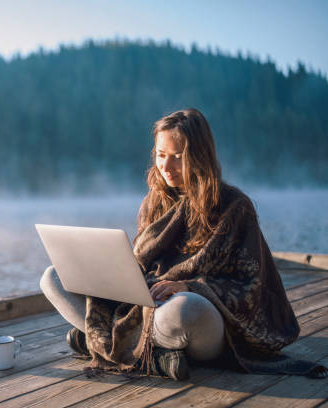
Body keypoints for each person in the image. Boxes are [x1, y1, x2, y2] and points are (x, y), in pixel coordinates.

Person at [40, 108, 326, 380]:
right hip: (147, 306)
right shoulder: (154, 201)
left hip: (204, 322)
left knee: (185, 310)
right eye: (161, 155)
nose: (166, 166)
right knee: (53, 277)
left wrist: (192, 287)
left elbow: (250, 286)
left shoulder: (234, 207)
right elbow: (143, 265)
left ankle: (106, 343)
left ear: (200, 156)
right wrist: (117, 275)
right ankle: (152, 355)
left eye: (177, 156)